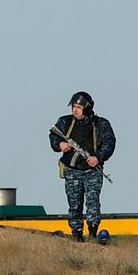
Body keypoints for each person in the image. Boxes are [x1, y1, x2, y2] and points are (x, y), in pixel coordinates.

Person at [49, 91, 116, 242]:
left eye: (79, 107)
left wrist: (98, 157)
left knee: (92, 203)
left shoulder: (101, 124)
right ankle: (76, 234)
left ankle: (93, 234)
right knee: (74, 204)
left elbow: (109, 142)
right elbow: (53, 135)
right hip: (72, 170)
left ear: (87, 107)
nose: (75, 110)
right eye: (74, 106)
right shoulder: (65, 122)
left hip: (92, 171)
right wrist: (60, 144)